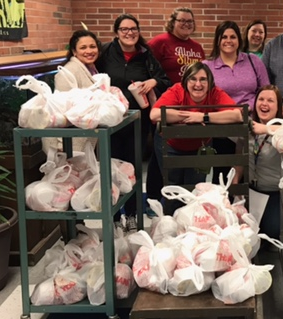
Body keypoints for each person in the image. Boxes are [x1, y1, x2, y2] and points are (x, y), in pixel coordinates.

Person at [96, 13, 171, 231]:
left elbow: (165, 80)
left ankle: (131, 214)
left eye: (133, 29)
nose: (130, 33)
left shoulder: (146, 55)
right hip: (110, 123)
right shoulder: (105, 54)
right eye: (124, 29)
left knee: (132, 169)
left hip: (137, 122)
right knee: (110, 169)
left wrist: (153, 80)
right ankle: (112, 217)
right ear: (116, 32)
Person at [150, 62, 243, 215]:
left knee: (194, 189)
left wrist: (203, 116)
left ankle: (189, 227)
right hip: (170, 146)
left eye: (203, 79)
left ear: (210, 82)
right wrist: (189, 117)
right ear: (186, 81)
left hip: (199, 148)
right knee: (173, 188)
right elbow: (155, 114)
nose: (198, 84)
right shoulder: (177, 90)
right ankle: (171, 227)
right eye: (193, 79)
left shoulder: (215, 93)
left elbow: (237, 114)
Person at [203, 20, 270, 184]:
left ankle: (249, 208)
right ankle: (223, 207)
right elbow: (203, 97)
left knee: (252, 174)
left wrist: (249, 108)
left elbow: (266, 90)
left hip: (252, 124)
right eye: (224, 36)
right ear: (217, 40)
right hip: (223, 129)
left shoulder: (253, 61)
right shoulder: (207, 66)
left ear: (239, 40)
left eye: (233, 37)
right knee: (223, 175)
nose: (228, 40)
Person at [233, 85, 283, 240]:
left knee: (271, 232)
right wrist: (235, 189)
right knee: (241, 229)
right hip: (250, 191)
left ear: (278, 107)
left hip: (273, 193)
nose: (264, 104)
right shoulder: (248, 128)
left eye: (270, 100)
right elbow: (239, 162)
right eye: (261, 99)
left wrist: (266, 129)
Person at [43, 29, 101, 154]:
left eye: (92, 47)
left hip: (84, 137)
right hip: (68, 142)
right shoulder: (68, 72)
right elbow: (64, 110)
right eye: (83, 48)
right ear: (74, 51)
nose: (89, 51)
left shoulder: (91, 68)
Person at [148, 7, 206, 84]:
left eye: (190, 21)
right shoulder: (159, 42)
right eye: (182, 20)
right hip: (167, 93)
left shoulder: (197, 46)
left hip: (193, 93)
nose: (186, 24)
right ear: (172, 22)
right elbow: (144, 68)